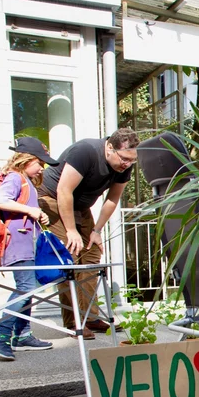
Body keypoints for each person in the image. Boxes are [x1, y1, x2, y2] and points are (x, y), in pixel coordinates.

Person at [38, 128, 139, 339]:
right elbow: (64, 191)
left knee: (92, 255)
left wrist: (96, 231)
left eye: (132, 161)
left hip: (81, 207)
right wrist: (71, 230)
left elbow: (112, 199)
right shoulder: (86, 151)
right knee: (71, 256)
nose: (126, 164)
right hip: (53, 200)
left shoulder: (123, 166)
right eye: (124, 159)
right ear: (109, 147)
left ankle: (90, 317)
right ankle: (74, 322)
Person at [0, 137, 57, 360]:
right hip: (18, 244)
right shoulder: (15, 178)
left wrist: (38, 213)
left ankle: (22, 334)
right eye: (40, 163)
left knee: (30, 288)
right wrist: (30, 211)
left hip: (28, 243)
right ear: (26, 160)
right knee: (26, 288)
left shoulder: (26, 182)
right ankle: (1, 335)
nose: (42, 169)